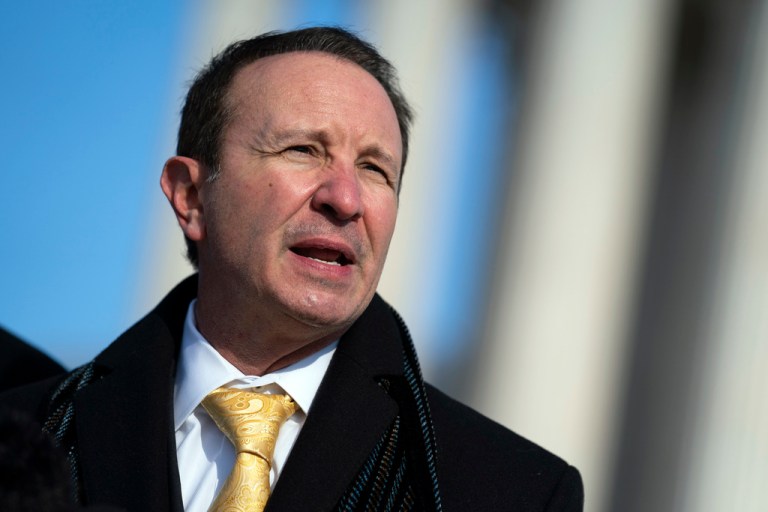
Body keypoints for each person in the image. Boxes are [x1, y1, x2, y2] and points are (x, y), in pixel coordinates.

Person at [0, 27, 583, 511]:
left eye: (376, 169)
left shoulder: (507, 489)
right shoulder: (30, 437)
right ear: (191, 197)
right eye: (303, 150)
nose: (346, 199)